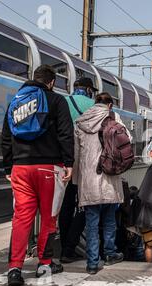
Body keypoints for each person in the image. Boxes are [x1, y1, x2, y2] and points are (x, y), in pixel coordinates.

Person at [2, 65, 74, 286]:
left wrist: (7, 167)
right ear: (51, 82)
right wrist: (69, 163)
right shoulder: (56, 100)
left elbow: (6, 136)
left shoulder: (16, 101)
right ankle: (44, 264)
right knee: (49, 217)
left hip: (20, 169)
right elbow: (65, 133)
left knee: (22, 218)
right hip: (48, 168)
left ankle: (15, 268)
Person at [73, 92, 131, 275]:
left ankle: (92, 262)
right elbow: (126, 144)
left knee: (91, 223)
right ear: (110, 105)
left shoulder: (81, 122)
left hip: (89, 181)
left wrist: (76, 180)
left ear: (94, 103)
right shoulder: (115, 119)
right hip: (110, 178)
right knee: (109, 220)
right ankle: (110, 253)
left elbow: (76, 155)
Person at [59, 78, 97, 264]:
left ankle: (63, 246)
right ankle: (69, 248)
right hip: (86, 165)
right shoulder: (94, 106)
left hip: (65, 164)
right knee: (84, 206)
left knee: (65, 206)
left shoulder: (62, 102)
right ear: (89, 89)